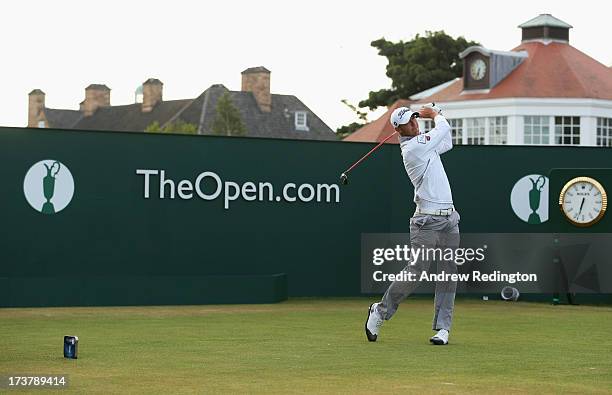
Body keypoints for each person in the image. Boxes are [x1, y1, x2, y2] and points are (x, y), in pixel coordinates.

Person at [365, 104, 460, 345]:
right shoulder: (413, 149)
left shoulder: (424, 145)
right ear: (398, 129)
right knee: (416, 271)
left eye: (415, 119)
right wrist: (435, 114)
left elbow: (447, 141)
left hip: (450, 219)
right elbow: (443, 128)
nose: (415, 124)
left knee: (449, 274)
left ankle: (442, 329)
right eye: (410, 122)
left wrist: (438, 116)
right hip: (426, 222)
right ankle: (380, 311)